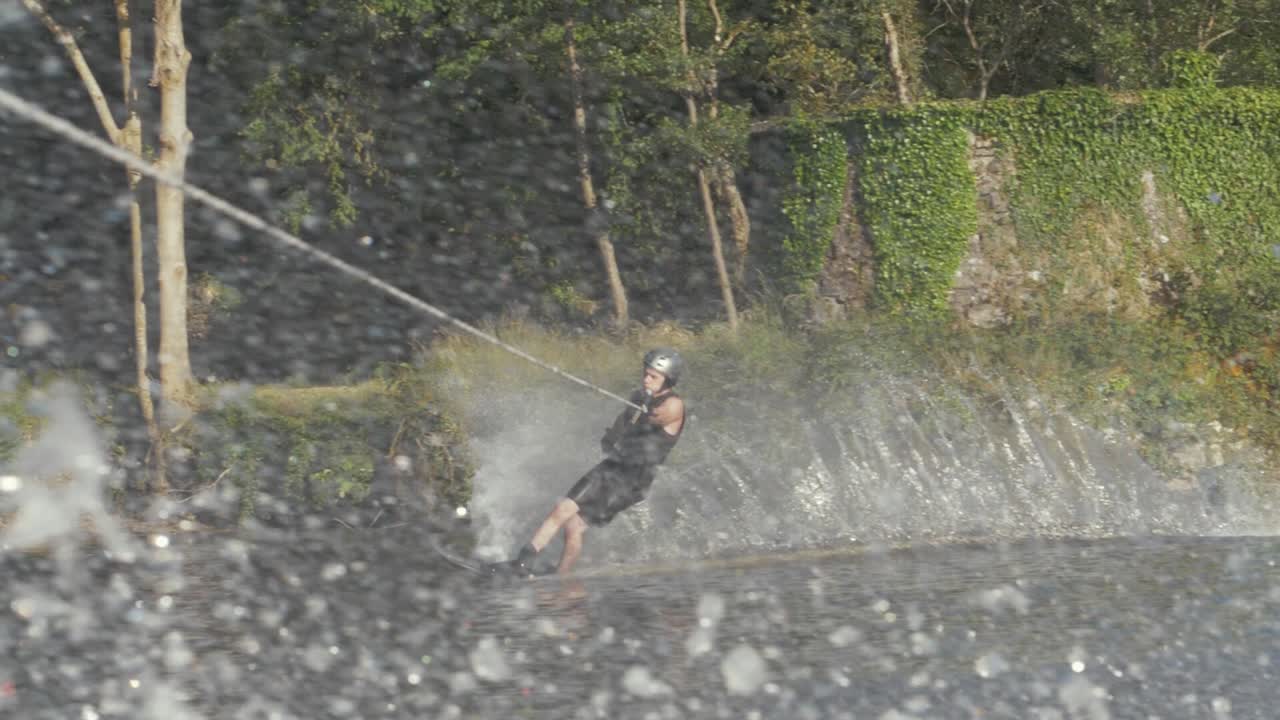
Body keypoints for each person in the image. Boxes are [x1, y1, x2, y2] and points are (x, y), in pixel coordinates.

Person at [494, 348, 687, 577]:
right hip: (614, 466)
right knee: (567, 516)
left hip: (633, 480)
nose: (646, 379)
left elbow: (652, 417)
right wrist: (612, 437)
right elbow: (625, 418)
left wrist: (641, 404)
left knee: (572, 520)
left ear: (668, 380)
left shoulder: (673, 405)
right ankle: (536, 567)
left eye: (653, 377)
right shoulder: (640, 396)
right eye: (645, 374)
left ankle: (538, 569)